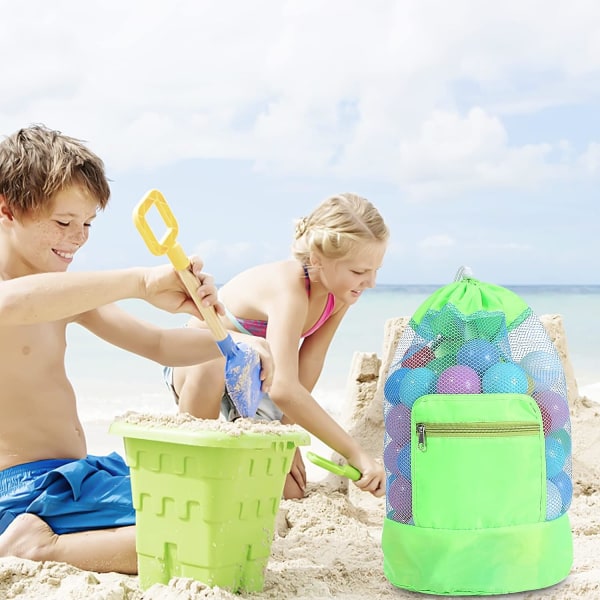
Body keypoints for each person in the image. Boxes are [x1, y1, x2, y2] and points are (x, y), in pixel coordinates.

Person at [0, 124, 273, 574]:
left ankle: (53, 539)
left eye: (87, 224)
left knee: (243, 514)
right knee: (223, 530)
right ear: (7, 210)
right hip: (23, 488)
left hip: (73, 480)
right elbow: (15, 304)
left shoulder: (64, 292)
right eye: (64, 222)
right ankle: (33, 548)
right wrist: (140, 282)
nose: (78, 237)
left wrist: (233, 341)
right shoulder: (18, 292)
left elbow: (160, 343)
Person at [166, 193, 389, 499]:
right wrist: (356, 454)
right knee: (213, 364)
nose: (371, 282)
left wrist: (287, 433)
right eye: (360, 272)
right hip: (198, 365)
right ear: (316, 260)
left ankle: (240, 457)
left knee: (290, 490)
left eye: (376, 270)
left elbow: (308, 365)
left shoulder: (340, 294)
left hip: (254, 384)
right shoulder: (289, 288)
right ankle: (194, 467)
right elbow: (284, 388)